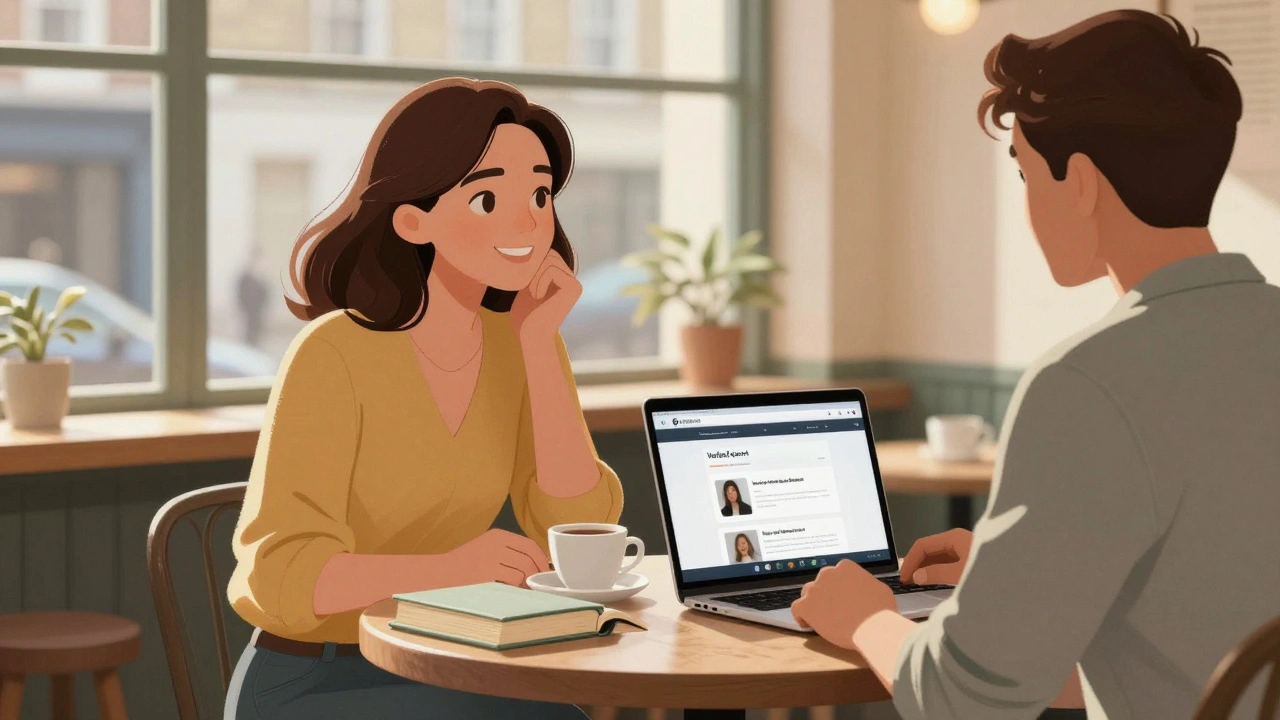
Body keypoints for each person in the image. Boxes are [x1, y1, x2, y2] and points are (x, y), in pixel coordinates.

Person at [791, 10, 1280, 720]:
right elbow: (1204, 642)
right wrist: (1018, 589)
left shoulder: (1089, 384)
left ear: (1079, 181)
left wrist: (864, 614)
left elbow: (961, 702)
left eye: (1024, 171)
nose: (1028, 202)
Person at [224, 78, 623, 720]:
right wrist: (451, 567)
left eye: (541, 194)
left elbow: (573, 524)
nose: (529, 222)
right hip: (320, 677)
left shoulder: (521, 342)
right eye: (489, 197)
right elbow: (283, 576)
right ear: (414, 219)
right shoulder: (333, 352)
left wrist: (541, 345)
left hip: (449, 656)